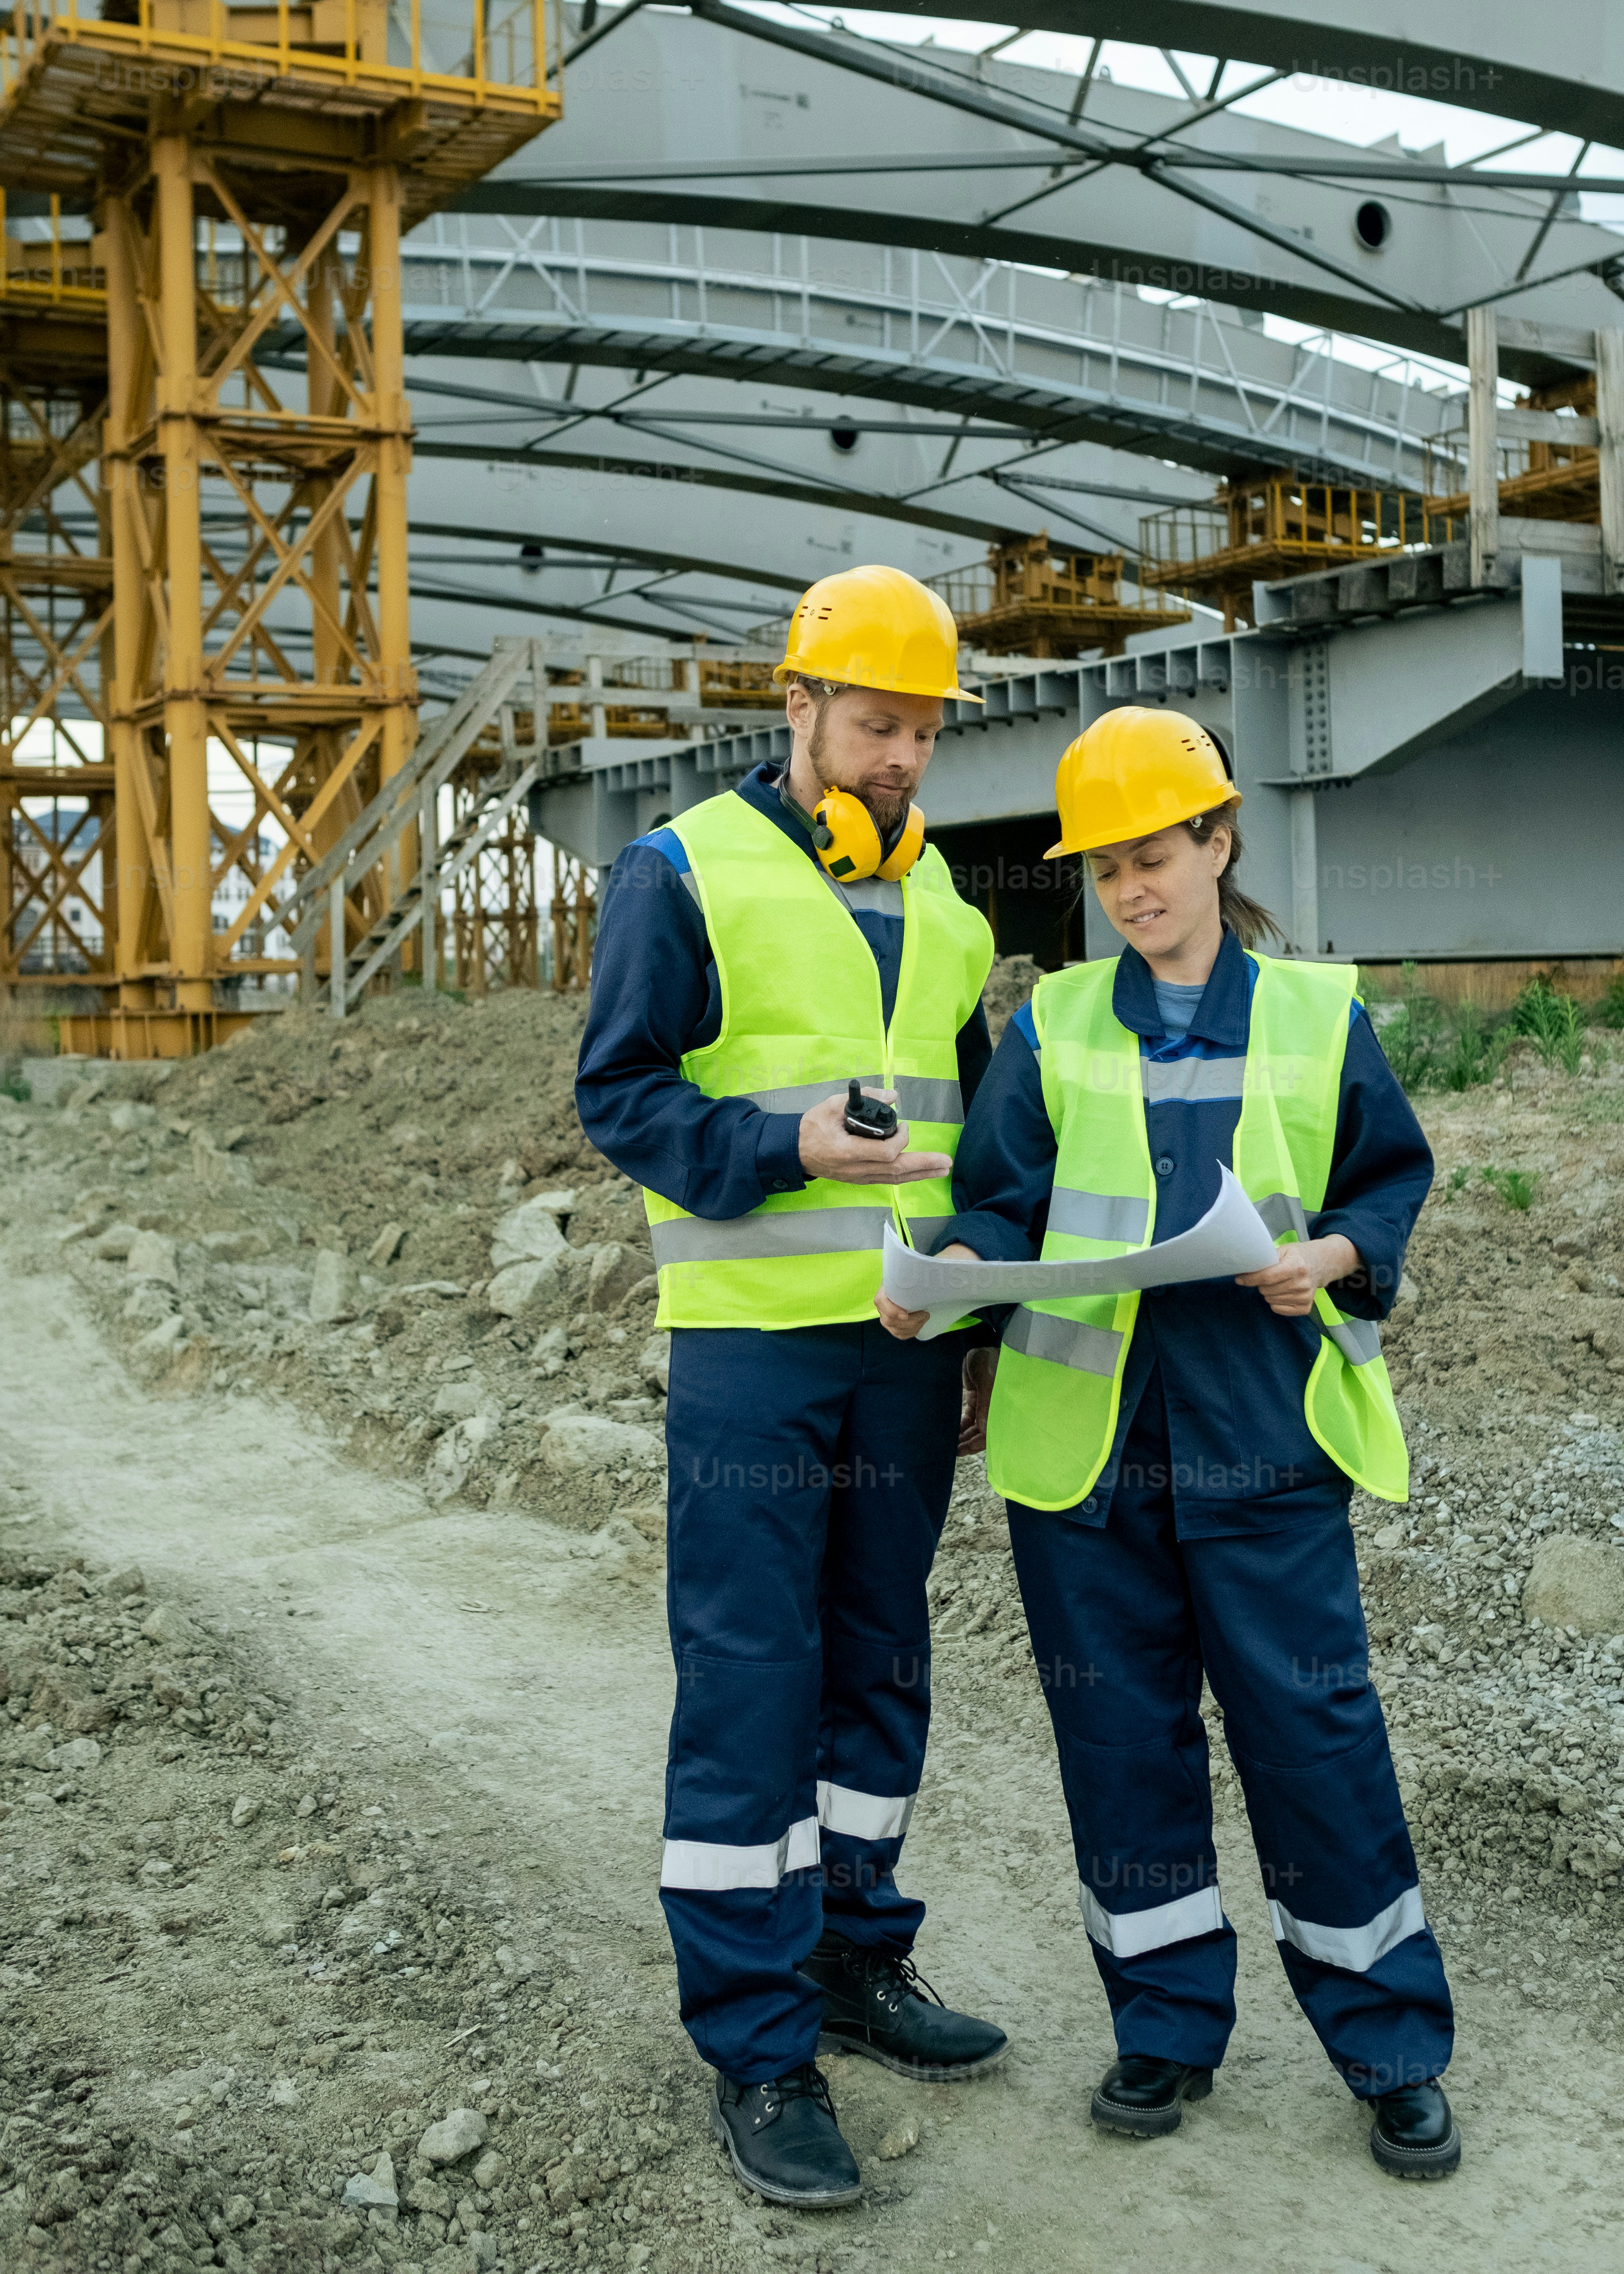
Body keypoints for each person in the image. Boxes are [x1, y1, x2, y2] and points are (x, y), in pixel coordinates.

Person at [877, 703, 1460, 2180]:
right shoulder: (1057, 1023)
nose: (1132, 890)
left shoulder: (1322, 1013)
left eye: (1155, 856)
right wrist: (946, 1281)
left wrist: (1331, 1257)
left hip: (1264, 1444)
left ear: (1217, 841)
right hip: (1088, 1457)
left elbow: (1386, 1183)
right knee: (1121, 1746)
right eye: (1107, 870)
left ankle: (1392, 2051)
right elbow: (1005, 1203)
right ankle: (1163, 2030)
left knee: (1315, 1744)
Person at [575, 563, 1009, 2213]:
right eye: (875, 721)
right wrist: (781, 1147)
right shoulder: (684, 871)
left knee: (880, 1664)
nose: (901, 755)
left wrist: (971, 1325)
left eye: (921, 730)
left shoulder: (952, 902)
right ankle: (759, 2047)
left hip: (904, 1355)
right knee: (755, 1684)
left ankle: (855, 1956)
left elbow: (963, 1137)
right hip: (756, 1350)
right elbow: (620, 1095)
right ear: (801, 709)